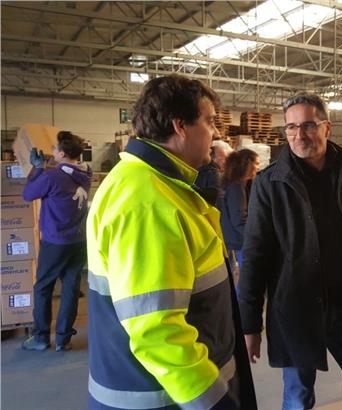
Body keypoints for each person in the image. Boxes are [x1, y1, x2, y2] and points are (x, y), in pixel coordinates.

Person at [85, 75, 257, 409]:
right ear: (180, 126)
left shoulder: (156, 184)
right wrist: (214, 402)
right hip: (165, 399)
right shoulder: (148, 203)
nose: (216, 133)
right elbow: (157, 330)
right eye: (208, 122)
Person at [239, 92, 342, 409]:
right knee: (297, 397)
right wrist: (249, 324)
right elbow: (255, 254)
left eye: (308, 125)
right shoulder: (270, 183)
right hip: (296, 312)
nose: (298, 135)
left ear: (327, 127)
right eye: (291, 127)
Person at [21, 131, 92, 352]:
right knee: (71, 287)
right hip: (79, 241)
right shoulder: (86, 173)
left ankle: (41, 336)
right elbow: (65, 174)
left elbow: (27, 194)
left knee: (43, 287)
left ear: (62, 153)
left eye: (54, 149)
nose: (51, 151)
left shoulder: (52, 177)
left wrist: (38, 169)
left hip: (56, 241)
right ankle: (63, 339)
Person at [220, 148, 260, 273]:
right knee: (246, 277)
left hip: (230, 238)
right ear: (248, 164)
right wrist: (255, 238)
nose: (258, 167)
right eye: (256, 163)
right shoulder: (236, 187)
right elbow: (239, 219)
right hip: (237, 240)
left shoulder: (234, 183)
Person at [195, 138, 232, 203]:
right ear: (212, 157)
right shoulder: (213, 173)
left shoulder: (198, 169)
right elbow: (218, 199)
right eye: (224, 158)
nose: (226, 162)